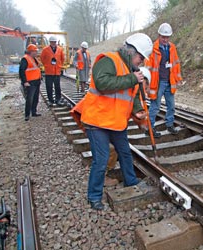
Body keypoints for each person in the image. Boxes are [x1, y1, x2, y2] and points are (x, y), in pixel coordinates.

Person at [80, 33, 153, 210]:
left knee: (125, 152)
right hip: (97, 121)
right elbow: (102, 83)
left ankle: (131, 182)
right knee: (102, 158)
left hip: (115, 122)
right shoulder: (109, 60)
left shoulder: (132, 71)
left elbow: (133, 96)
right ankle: (94, 196)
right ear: (130, 52)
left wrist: (139, 111)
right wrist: (132, 79)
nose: (141, 61)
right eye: (140, 57)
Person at [145, 23, 183, 138]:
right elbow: (148, 67)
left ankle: (170, 125)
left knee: (171, 106)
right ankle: (149, 128)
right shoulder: (153, 48)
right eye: (163, 37)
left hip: (170, 81)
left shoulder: (172, 48)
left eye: (167, 37)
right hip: (158, 82)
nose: (165, 39)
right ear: (159, 36)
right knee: (155, 106)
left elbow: (176, 64)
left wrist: (178, 79)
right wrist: (147, 82)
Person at [19, 44, 42, 121]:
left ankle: (34, 112)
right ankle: (27, 114)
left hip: (36, 81)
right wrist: (25, 81)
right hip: (30, 82)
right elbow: (22, 71)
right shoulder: (25, 59)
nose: (36, 53)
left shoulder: (33, 58)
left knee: (35, 98)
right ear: (31, 51)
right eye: (35, 51)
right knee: (29, 99)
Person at [40, 36, 65, 106]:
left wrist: (59, 65)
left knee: (57, 87)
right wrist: (47, 65)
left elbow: (62, 58)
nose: (53, 43)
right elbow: (42, 58)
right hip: (49, 72)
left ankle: (58, 100)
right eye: (52, 42)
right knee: (49, 86)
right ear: (50, 42)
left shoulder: (60, 49)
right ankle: (50, 101)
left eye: (54, 42)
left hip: (57, 72)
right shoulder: (45, 50)